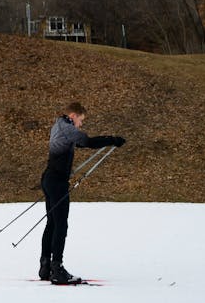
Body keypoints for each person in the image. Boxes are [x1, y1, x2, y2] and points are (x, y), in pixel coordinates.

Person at [38, 101, 125, 285]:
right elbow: (88, 141)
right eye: (81, 120)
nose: (81, 124)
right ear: (73, 116)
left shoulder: (58, 126)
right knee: (61, 225)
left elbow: (77, 143)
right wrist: (112, 139)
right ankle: (57, 269)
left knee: (52, 223)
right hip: (57, 183)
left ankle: (45, 266)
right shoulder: (67, 128)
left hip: (49, 180)